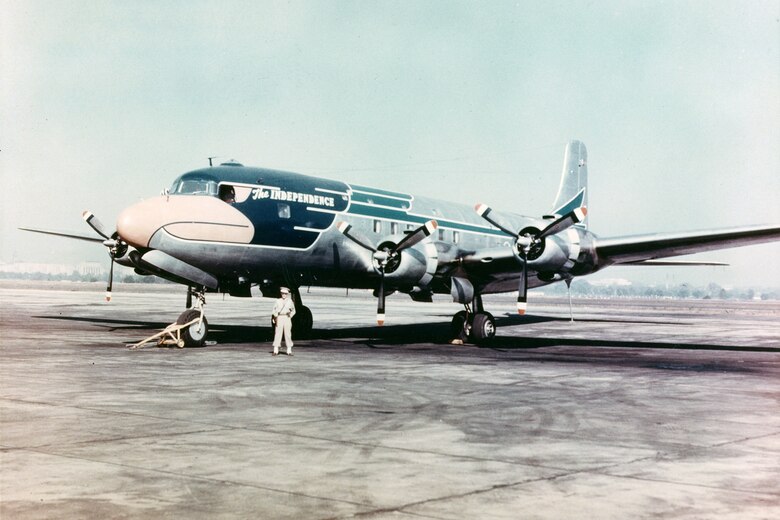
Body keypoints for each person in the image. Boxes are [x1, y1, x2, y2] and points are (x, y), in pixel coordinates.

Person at [271, 287, 296, 355]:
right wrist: (275, 316)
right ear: (281, 294)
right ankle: (276, 350)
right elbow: (274, 310)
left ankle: (289, 350)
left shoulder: (290, 301)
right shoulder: (278, 301)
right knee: (278, 333)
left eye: (285, 293)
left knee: (288, 334)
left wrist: (290, 315)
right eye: (282, 293)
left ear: (287, 294)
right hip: (280, 317)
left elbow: (293, 310)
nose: (284, 295)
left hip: (286, 318)